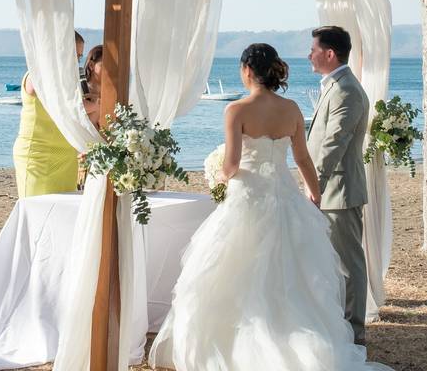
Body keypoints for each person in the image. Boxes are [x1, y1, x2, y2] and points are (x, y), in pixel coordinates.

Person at [149, 43, 391, 371]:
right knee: (291, 274)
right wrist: (314, 195)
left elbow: (233, 164)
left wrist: (219, 177)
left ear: (247, 70)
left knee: (234, 271)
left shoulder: (236, 110)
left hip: (246, 200)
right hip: (284, 196)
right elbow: (303, 159)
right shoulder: (291, 110)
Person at [306, 25, 370, 345]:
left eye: (313, 49)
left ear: (330, 54)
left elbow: (335, 144)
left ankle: (354, 334)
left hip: (339, 192)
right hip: (330, 191)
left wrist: (313, 186)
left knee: (349, 266)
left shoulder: (346, 90)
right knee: (335, 265)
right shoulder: (334, 86)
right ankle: (339, 326)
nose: (309, 54)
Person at [11, 31, 86, 197]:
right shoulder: (36, 75)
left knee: (63, 213)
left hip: (66, 155)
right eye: (73, 54)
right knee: (36, 211)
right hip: (37, 155)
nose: (76, 61)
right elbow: (52, 97)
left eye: (79, 57)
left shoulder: (71, 80)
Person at [82, 45, 103, 128]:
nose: (111, 69)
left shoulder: (115, 94)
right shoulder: (80, 91)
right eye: (106, 64)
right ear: (91, 65)